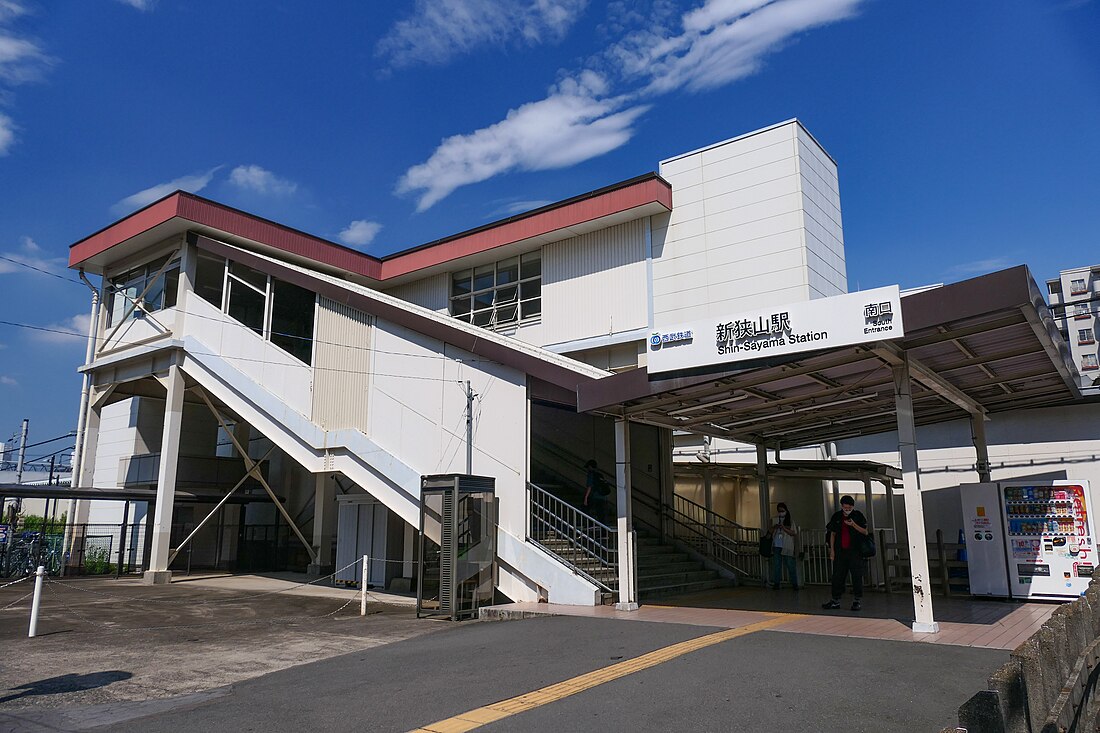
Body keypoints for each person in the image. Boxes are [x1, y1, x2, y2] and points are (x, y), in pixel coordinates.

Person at [822, 495, 869, 611]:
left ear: (852, 506)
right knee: (837, 576)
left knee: (856, 576)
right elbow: (832, 534)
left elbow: (865, 532)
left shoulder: (858, 516)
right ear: (842, 506)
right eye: (845, 507)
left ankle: (857, 600)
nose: (847, 509)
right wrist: (832, 550)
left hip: (855, 552)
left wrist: (853, 524)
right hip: (840, 552)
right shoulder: (837, 516)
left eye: (849, 507)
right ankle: (835, 600)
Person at [769, 502, 799, 590]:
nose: (780, 513)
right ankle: (776, 583)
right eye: (779, 511)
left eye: (782, 511)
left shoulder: (790, 520)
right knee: (777, 566)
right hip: (776, 545)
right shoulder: (774, 520)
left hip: (787, 545)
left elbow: (793, 533)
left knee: (790, 565)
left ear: (786, 511)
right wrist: (775, 527)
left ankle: (794, 584)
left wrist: (784, 528)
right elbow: (770, 531)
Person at [583, 459, 611, 525]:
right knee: (602, 515)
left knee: (592, 513)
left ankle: (592, 526)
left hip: (595, 497)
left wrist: (586, 498)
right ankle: (603, 529)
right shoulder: (600, 475)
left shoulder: (591, 474)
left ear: (590, 467)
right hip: (603, 497)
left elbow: (589, 486)